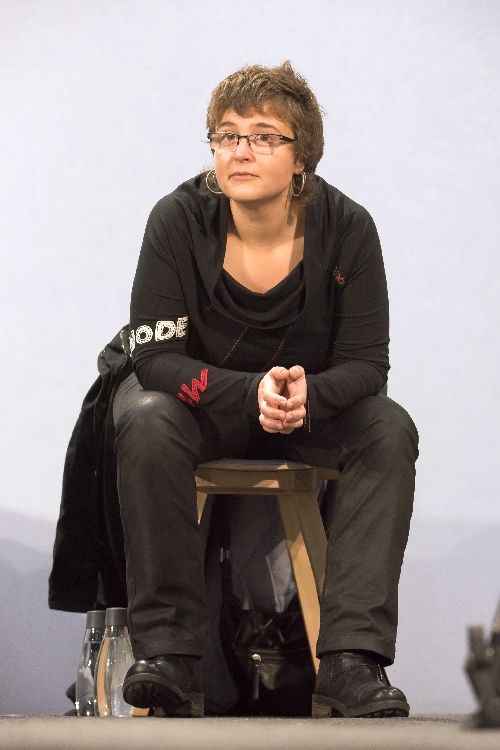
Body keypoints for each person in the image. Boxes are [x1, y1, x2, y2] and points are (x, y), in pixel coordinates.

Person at [113, 61, 419, 718]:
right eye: (226, 136)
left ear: (301, 156)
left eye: (262, 136)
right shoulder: (177, 220)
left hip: (306, 411)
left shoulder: (348, 228)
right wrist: (248, 392)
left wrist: (312, 396)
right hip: (203, 410)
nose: (240, 151)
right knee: (144, 415)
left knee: (387, 426)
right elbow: (154, 358)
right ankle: (168, 654)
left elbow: (368, 366)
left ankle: (351, 659)